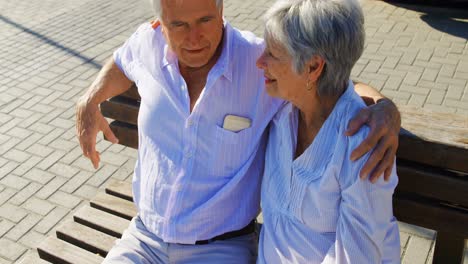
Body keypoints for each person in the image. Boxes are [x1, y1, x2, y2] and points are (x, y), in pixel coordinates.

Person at [75, 0, 401, 262]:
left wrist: (386, 107)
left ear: (221, 11)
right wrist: (89, 100)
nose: (194, 37)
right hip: (144, 238)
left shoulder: (259, 65)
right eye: (179, 25)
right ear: (160, 26)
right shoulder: (147, 43)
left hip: (221, 247)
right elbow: (122, 61)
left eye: (204, 20)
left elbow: (332, 84)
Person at [256, 0, 400, 263]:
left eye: (273, 55)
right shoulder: (281, 109)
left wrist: (386, 108)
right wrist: (386, 105)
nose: (259, 62)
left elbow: (357, 257)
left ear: (313, 67)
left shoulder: (362, 144)